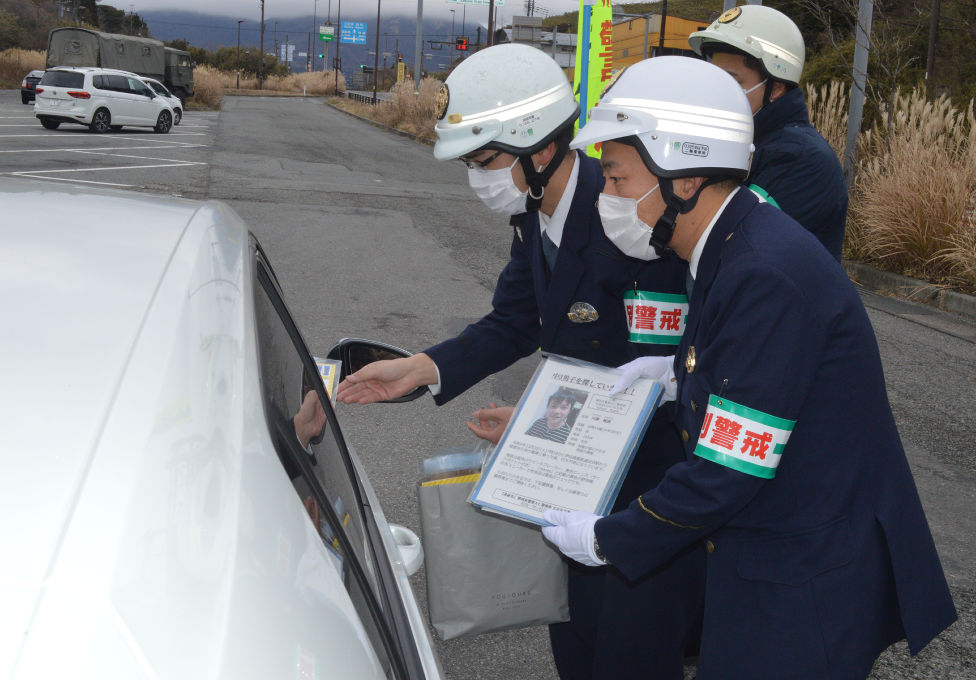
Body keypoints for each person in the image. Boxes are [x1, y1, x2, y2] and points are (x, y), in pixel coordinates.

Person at [541, 56, 957, 680]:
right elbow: (762, 372)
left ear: (682, 178)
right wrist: (676, 375)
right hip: (771, 550)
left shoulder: (762, 270)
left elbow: (728, 467)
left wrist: (608, 538)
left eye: (620, 179)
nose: (609, 197)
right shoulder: (730, 242)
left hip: (804, 579)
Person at [339, 43, 702, 680]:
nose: (476, 178)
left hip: (644, 488)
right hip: (579, 483)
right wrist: (421, 368)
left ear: (538, 148)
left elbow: (661, 375)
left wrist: (546, 422)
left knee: (631, 654)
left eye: (484, 160)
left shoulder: (630, 219)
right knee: (577, 641)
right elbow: (514, 321)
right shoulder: (536, 216)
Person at [689, 4, 849, 261]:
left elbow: (730, 239)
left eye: (732, 81)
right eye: (715, 79)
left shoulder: (801, 160)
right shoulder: (737, 142)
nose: (718, 91)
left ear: (775, 88)